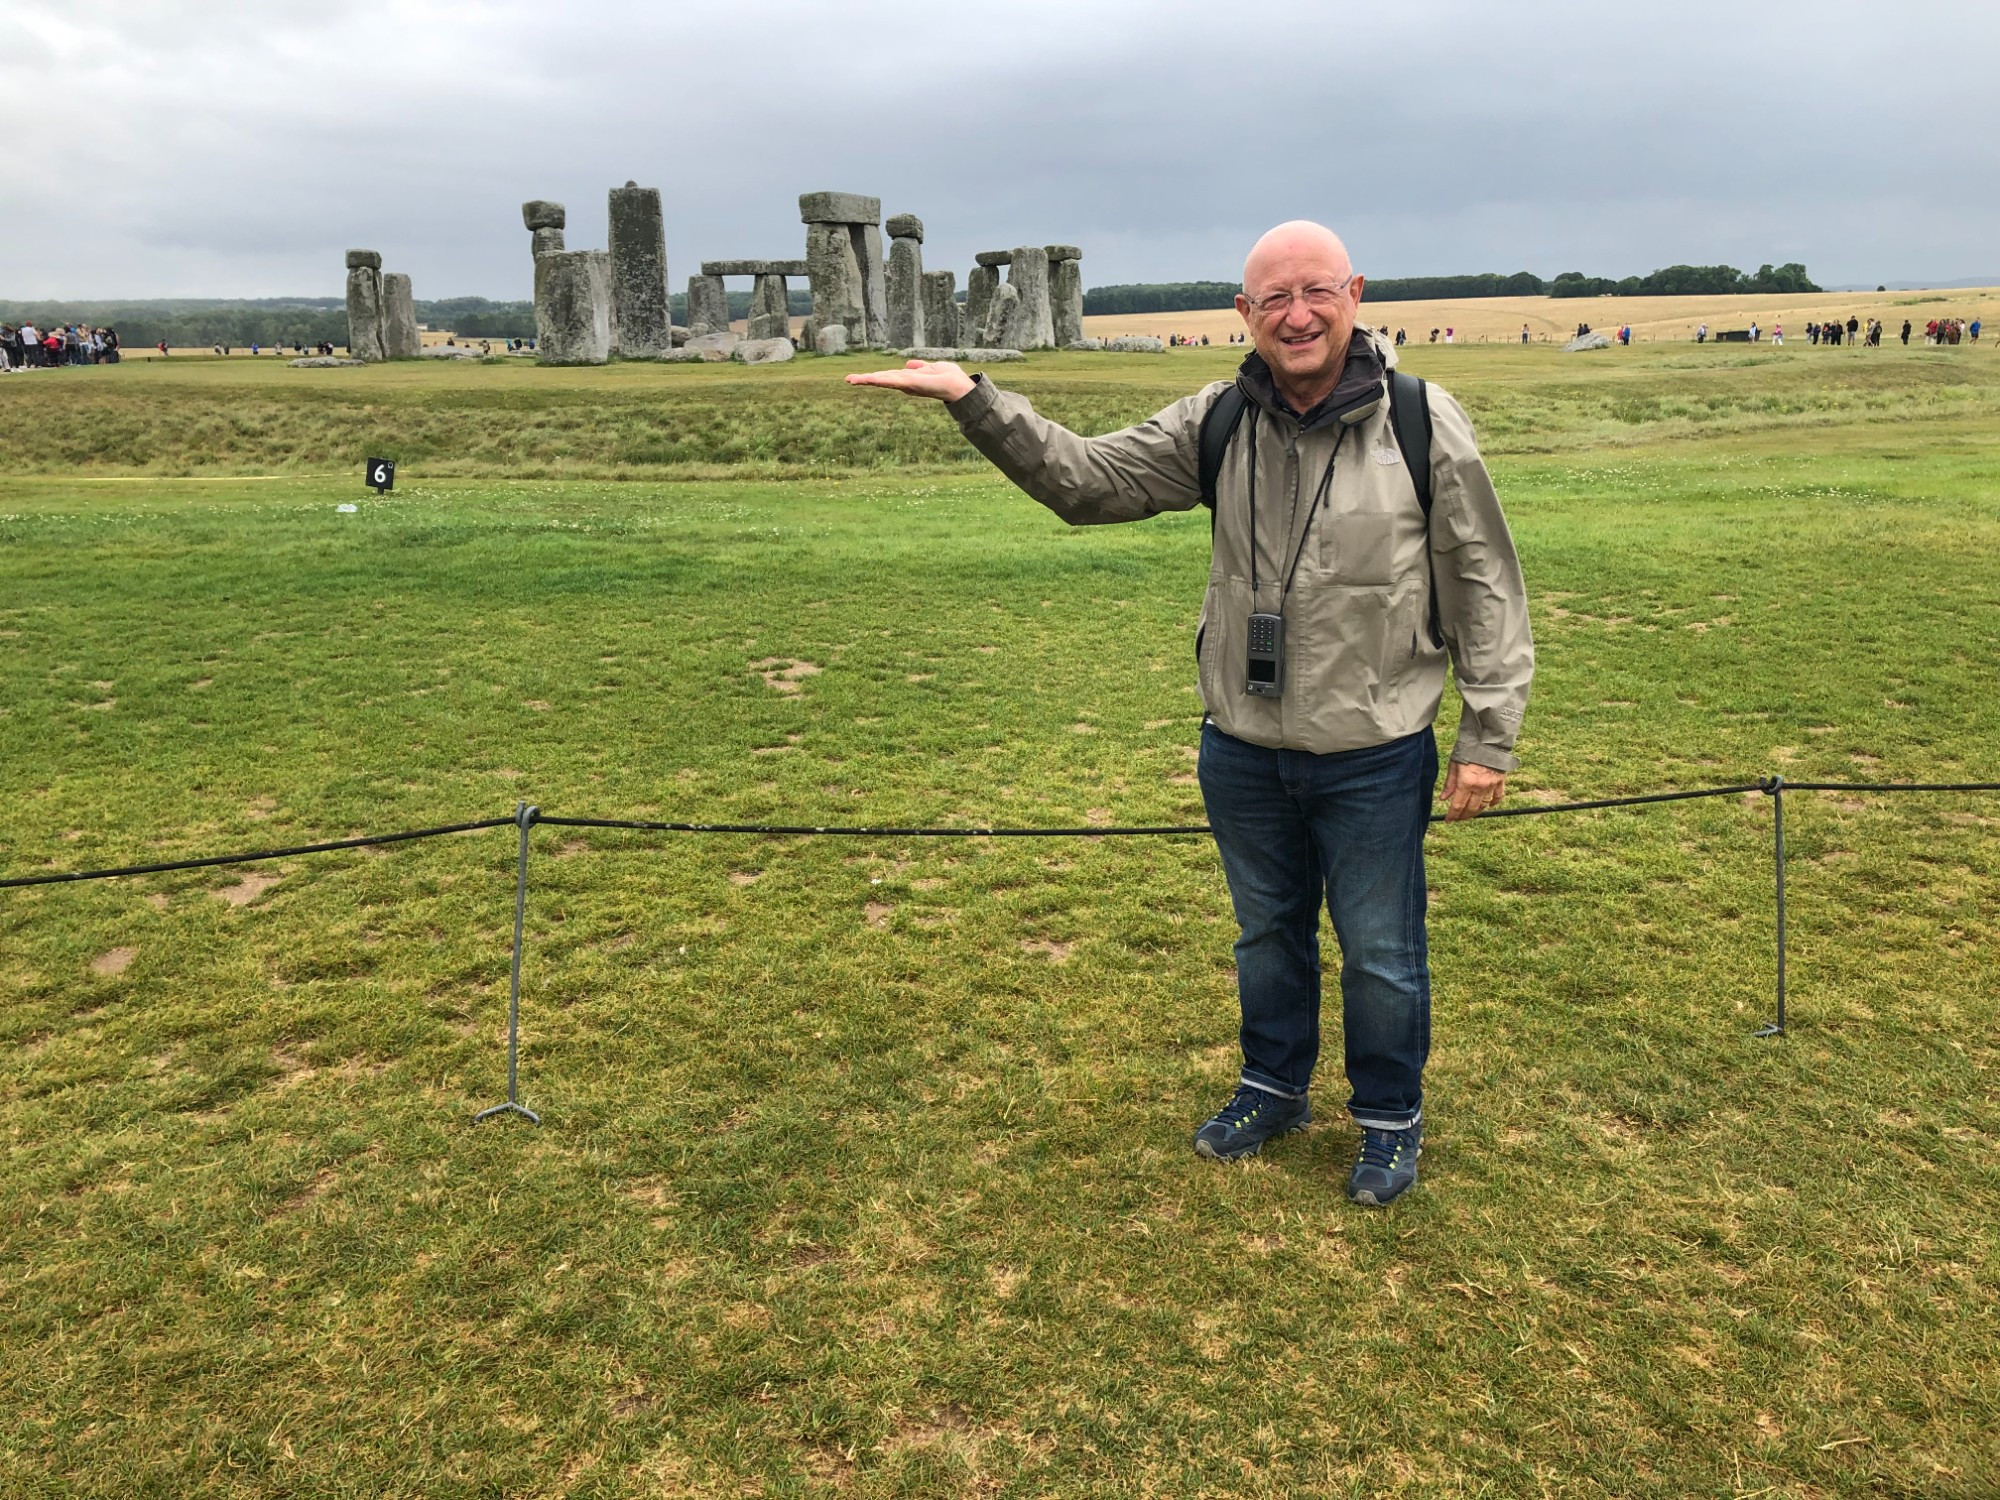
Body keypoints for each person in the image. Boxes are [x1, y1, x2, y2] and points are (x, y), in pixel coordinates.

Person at [846, 221, 1533, 1207]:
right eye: (1273, 299)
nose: (1296, 314)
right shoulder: (1215, 421)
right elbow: (1089, 483)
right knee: (1265, 934)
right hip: (1242, 746)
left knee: (1381, 952)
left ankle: (1387, 1120)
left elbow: (1482, 580)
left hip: (1373, 748)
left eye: (1316, 291)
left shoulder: (1422, 421)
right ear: (1244, 315)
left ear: (1355, 294)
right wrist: (975, 401)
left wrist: (1487, 734)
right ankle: (1272, 1086)